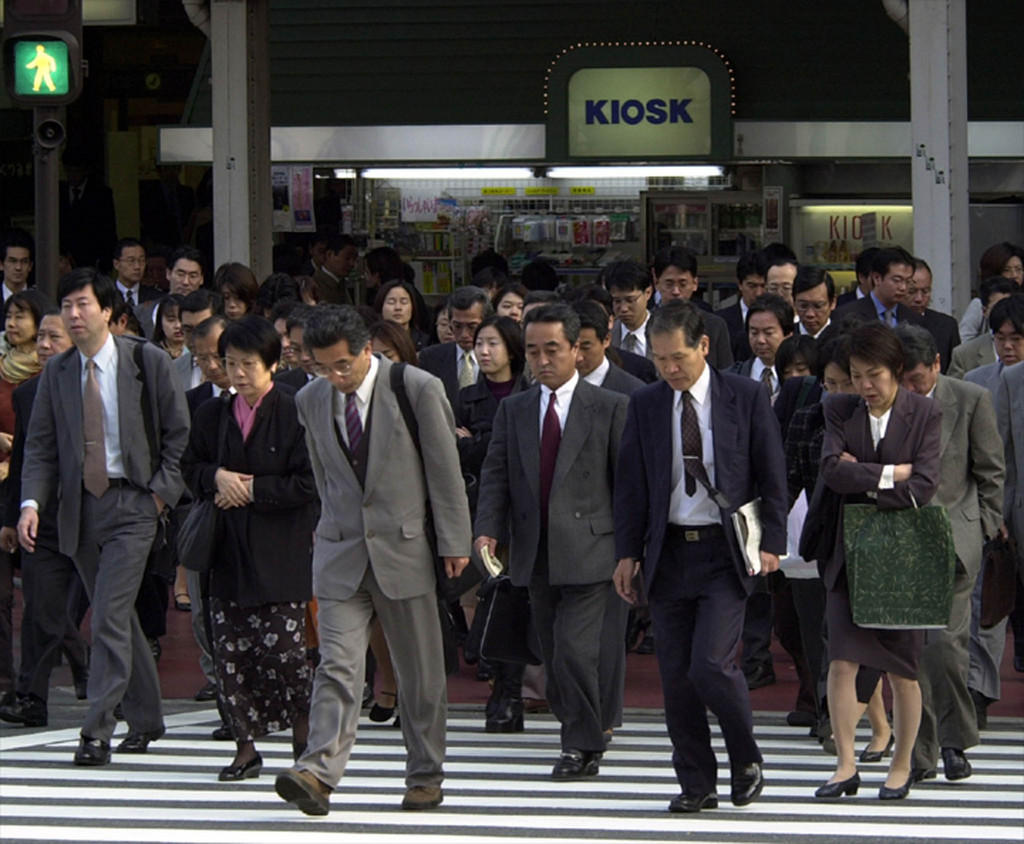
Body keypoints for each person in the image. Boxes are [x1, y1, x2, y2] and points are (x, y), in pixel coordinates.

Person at [275, 305, 471, 815]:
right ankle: (318, 772)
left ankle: (425, 774)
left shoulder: (416, 387)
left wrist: (455, 543)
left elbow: (444, 471)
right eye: (322, 366)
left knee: (419, 674)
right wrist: (326, 532)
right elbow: (324, 476)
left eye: (343, 364)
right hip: (340, 550)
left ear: (366, 350)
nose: (335, 377)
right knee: (336, 666)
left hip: (404, 548)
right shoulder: (311, 398)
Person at [613, 300, 786, 813]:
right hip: (667, 550)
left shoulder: (745, 396)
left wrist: (772, 542)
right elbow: (630, 486)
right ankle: (695, 780)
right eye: (661, 360)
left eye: (679, 359)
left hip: (724, 549)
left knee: (712, 664)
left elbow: (771, 472)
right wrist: (627, 553)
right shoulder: (646, 403)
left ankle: (745, 756)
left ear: (704, 347)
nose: (670, 369)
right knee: (677, 676)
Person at [18, 267, 190, 766]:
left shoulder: (146, 361)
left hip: (133, 503)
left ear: (109, 312)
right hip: (77, 509)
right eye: (66, 305)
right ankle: (149, 717)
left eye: (82, 305)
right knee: (119, 618)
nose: (73, 315)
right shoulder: (58, 371)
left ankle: (97, 729)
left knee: (109, 616)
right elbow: (42, 447)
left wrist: (159, 496)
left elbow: (179, 435)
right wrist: (32, 503)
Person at [475, 304, 628, 780]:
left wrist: (631, 551)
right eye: (533, 351)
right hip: (533, 549)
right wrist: (487, 528)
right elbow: (495, 473)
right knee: (551, 651)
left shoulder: (608, 407)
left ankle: (579, 744)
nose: (542, 361)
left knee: (574, 649)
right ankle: (584, 725)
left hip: (592, 549)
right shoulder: (515, 409)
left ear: (577, 351)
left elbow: (627, 485)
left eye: (553, 350)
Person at [182, 315, 317, 780]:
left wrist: (254, 489)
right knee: (231, 653)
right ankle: (245, 745)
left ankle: (303, 730)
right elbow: (191, 467)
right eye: (230, 363)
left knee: (285, 650)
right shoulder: (211, 414)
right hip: (225, 548)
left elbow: (308, 481)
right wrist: (215, 478)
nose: (237, 373)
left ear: (273, 365)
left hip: (281, 549)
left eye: (248, 364)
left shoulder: (296, 411)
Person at [816, 321, 942, 801]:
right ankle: (845, 764)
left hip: (903, 556)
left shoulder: (926, 414)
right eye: (856, 375)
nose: (864, 387)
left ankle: (903, 762)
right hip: (848, 551)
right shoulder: (837, 408)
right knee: (842, 661)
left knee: (902, 668)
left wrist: (863, 477)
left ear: (897, 371)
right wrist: (892, 474)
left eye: (874, 376)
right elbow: (831, 472)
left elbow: (925, 486)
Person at [896, 324, 1004, 784]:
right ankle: (921, 753)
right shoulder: (886, 400)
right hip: (901, 538)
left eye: (917, 379)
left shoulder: (969, 398)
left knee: (944, 646)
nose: (911, 389)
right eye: (903, 380)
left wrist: (979, 526)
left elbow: (991, 471)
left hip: (955, 536)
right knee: (910, 650)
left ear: (936, 366)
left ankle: (954, 741)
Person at [0, 308, 90, 727]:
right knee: (40, 605)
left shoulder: (93, 385)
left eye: (54, 338)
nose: (44, 346)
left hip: (92, 514)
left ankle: (91, 668)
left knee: (98, 606)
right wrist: (12, 514)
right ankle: (32, 695)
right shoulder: (28, 394)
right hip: (42, 516)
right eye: (40, 339)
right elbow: (23, 459)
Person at [452, 315, 527, 731]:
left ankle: (509, 689)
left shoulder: (529, 394)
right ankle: (498, 679)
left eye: (492, 344)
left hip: (525, 512)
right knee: (488, 590)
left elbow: (508, 452)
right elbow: (456, 451)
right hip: (480, 505)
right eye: (479, 344)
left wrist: (473, 443)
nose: (483, 351)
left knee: (513, 596)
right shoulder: (467, 396)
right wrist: (471, 447)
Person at [0, 289, 48, 705]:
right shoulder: (7, 377)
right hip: (10, 488)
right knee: (13, 595)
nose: (13, 324)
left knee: (47, 594)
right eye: (9, 316)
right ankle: (15, 685)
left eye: (21, 317)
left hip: (52, 498)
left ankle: (78, 661)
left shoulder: (50, 378)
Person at [604, 259, 733, 370]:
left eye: (630, 300)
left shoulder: (667, 328)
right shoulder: (606, 336)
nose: (624, 308)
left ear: (648, 293)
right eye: (617, 301)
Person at [418, 286, 493, 409]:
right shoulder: (430, 357)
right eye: (457, 326)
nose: (464, 334)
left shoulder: (501, 357)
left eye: (472, 327)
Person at [834, 247, 924, 329]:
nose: (903, 288)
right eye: (897, 280)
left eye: (908, 281)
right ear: (877, 278)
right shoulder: (846, 315)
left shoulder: (914, 319)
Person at [730, 293, 794, 406]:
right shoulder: (732, 376)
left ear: (788, 335)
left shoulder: (798, 376)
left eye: (768, 333)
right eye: (754, 332)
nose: (760, 340)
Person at [947, 278, 1016, 378]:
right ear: (984, 311)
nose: (1003, 314)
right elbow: (954, 392)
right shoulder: (964, 355)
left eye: (1009, 308)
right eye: (997, 308)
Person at [958, 242, 1024, 342]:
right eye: (1007, 270)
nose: (1014, 275)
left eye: (1018, 269)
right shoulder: (978, 304)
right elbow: (963, 340)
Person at [906, 258, 960, 372]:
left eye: (925, 291)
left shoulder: (946, 326)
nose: (919, 299)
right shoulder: (889, 322)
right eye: (912, 292)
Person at [716, 252, 764, 360]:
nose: (758, 293)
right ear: (740, 284)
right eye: (752, 286)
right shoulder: (721, 320)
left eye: (763, 286)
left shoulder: (779, 319)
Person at [374, 279, 430, 349]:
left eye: (404, 302)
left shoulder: (426, 342)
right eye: (391, 302)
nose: (398, 307)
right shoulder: (372, 341)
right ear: (381, 306)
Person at [793, 266, 839, 343]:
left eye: (818, 306)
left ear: (833, 303)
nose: (810, 314)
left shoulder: (843, 339)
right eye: (803, 306)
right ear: (794, 302)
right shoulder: (785, 336)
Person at [112, 238, 160, 309]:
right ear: (116, 264)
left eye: (141, 260)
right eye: (131, 261)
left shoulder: (156, 298)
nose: (137, 266)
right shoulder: (105, 295)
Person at [313, 234, 359, 305]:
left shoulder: (341, 282)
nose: (352, 264)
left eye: (355, 259)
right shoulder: (316, 285)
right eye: (347, 258)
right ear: (330, 254)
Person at [2, 229, 34, 303]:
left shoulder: (39, 300)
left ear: (30, 266)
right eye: (12, 261)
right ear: (1, 264)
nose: (18, 267)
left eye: (24, 261)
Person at [151, 295, 186, 359]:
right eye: (171, 320)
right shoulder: (150, 352)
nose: (178, 325)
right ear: (160, 322)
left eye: (182, 319)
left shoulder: (197, 351)